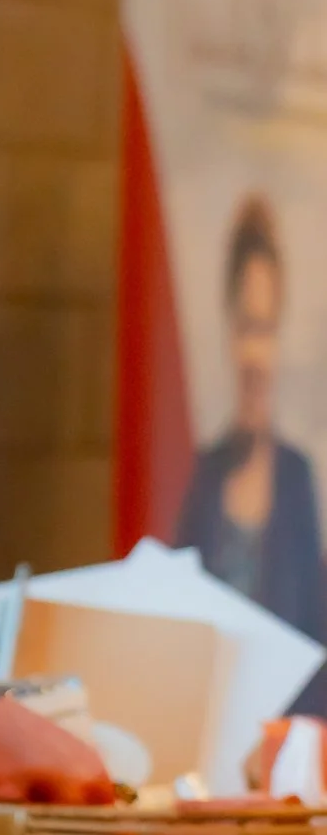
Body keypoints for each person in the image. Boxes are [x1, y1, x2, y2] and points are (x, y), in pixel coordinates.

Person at [177, 194, 327, 688]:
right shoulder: (205, 476)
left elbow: (314, 644)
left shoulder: (295, 478)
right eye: (245, 328)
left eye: (265, 330)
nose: (255, 355)